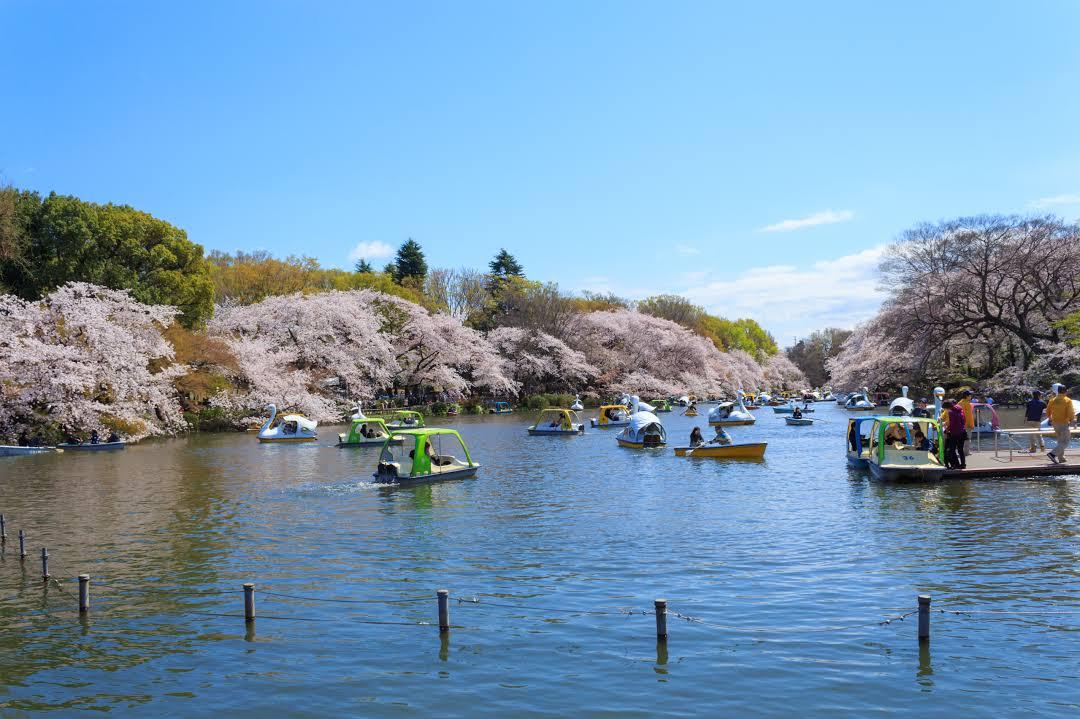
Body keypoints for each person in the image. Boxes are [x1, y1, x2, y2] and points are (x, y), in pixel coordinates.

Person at [1046, 383, 1075, 464]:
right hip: (1064, 423)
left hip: (1055, 423)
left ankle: (1061, 458)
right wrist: (1073, 420)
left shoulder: (1052, 400)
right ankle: (1052, 454)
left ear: (1058, 391)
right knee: (1066, 441)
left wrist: (1050, 419)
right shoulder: (1067, 400)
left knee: (1060, 441)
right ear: (1065, 391)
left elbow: (1047, 411)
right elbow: (1070, 412)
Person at [944, 400, 967, 470]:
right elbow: (964, 420)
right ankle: (963, 465)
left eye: (945, 409)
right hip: (962, 432)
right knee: (960, 450)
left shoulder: (951, 412)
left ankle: (955, 465)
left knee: (952, 450)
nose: (945, 410)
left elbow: (952, 424)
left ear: (947, 407)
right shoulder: (960, 410)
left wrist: (946, 430)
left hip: (955, 433)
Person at [958, 390, 975, 456]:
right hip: (966, 425)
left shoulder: (961, 403)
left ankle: (964, 451)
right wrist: (969, 424)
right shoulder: (965, 403)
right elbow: (965, 415)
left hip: (963, 425)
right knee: (967, 439)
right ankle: (966, 452)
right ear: (967, 396)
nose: (971, 397)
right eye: (970, 395)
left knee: (963, 439)